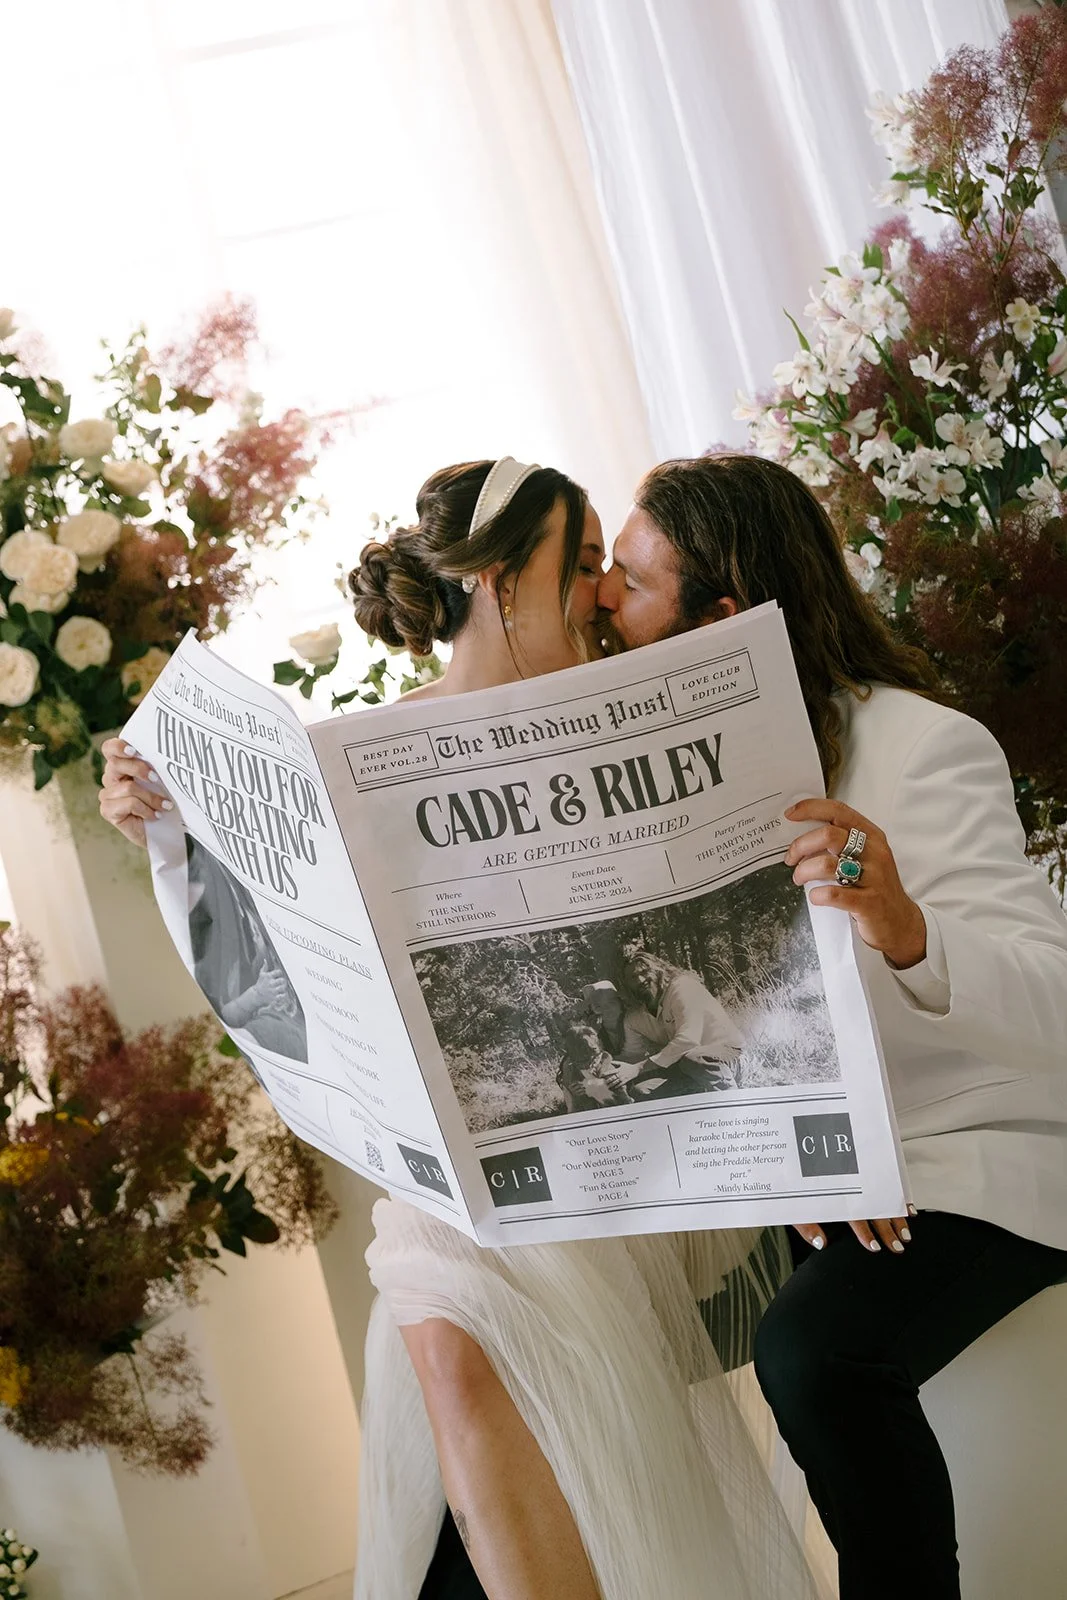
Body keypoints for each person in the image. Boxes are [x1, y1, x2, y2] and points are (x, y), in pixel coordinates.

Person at [98, 458, 817, 1600]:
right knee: (440, 1314)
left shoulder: (623, 713)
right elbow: (269, 943)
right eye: (576, 565)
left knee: (467, 1344)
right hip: (449, 1177)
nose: (595, 593)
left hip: (607, 1166)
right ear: (493, 579)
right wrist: (160, 817)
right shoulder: (363, 752)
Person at [595, 452, 1067, 1600]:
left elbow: (1053, 1003)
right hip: (785, 1177)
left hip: (962, 1156)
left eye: (626, 579)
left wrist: (901, 923)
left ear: (717, 620)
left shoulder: (920, 745)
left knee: (812, 1353)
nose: (601, 601)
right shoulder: (646, 775)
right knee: (558, 1352)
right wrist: (783, 1155)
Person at [613, 949, 743, 1096]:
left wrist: (638, 1068)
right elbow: (632, 1056)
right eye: (632, 977)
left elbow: (688, 1041)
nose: (640, 980)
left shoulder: (682, 988)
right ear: (625, 984)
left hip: (727, 1055)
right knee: (641, 1091)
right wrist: (604, 1071)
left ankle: (731, 1100)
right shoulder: (634, 1017)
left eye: (644, 972)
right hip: (685, 1066)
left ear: (657, 970)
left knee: (693, 1058)